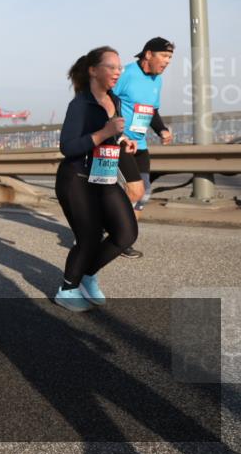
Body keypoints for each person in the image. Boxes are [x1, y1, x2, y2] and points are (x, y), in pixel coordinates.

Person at [55, 46, 141, 312]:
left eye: (119, 67)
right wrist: (105, 132)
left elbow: (110, 134)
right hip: (76, 179)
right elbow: (67, 147)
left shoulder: (112, 99)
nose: (117, 72)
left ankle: (87, 274)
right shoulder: (80, 104)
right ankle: (67, 289)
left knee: (126, 234)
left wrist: (122, 140)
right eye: (111, 67)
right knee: (89, 237)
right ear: (93, 70)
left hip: (103, 176)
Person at [113, 37, 175, 258]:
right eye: (165, 56)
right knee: (135, 190)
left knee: (144, 193)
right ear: (149, 54)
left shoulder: (157, 80)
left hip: (140, 143)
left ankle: (124, 240)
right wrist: (116, 132)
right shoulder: (127, 74)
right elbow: (106, 100)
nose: (167, 61)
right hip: (120, 142)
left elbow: (151, 111)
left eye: (170, 58)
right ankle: (105, 227)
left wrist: (162, 130)